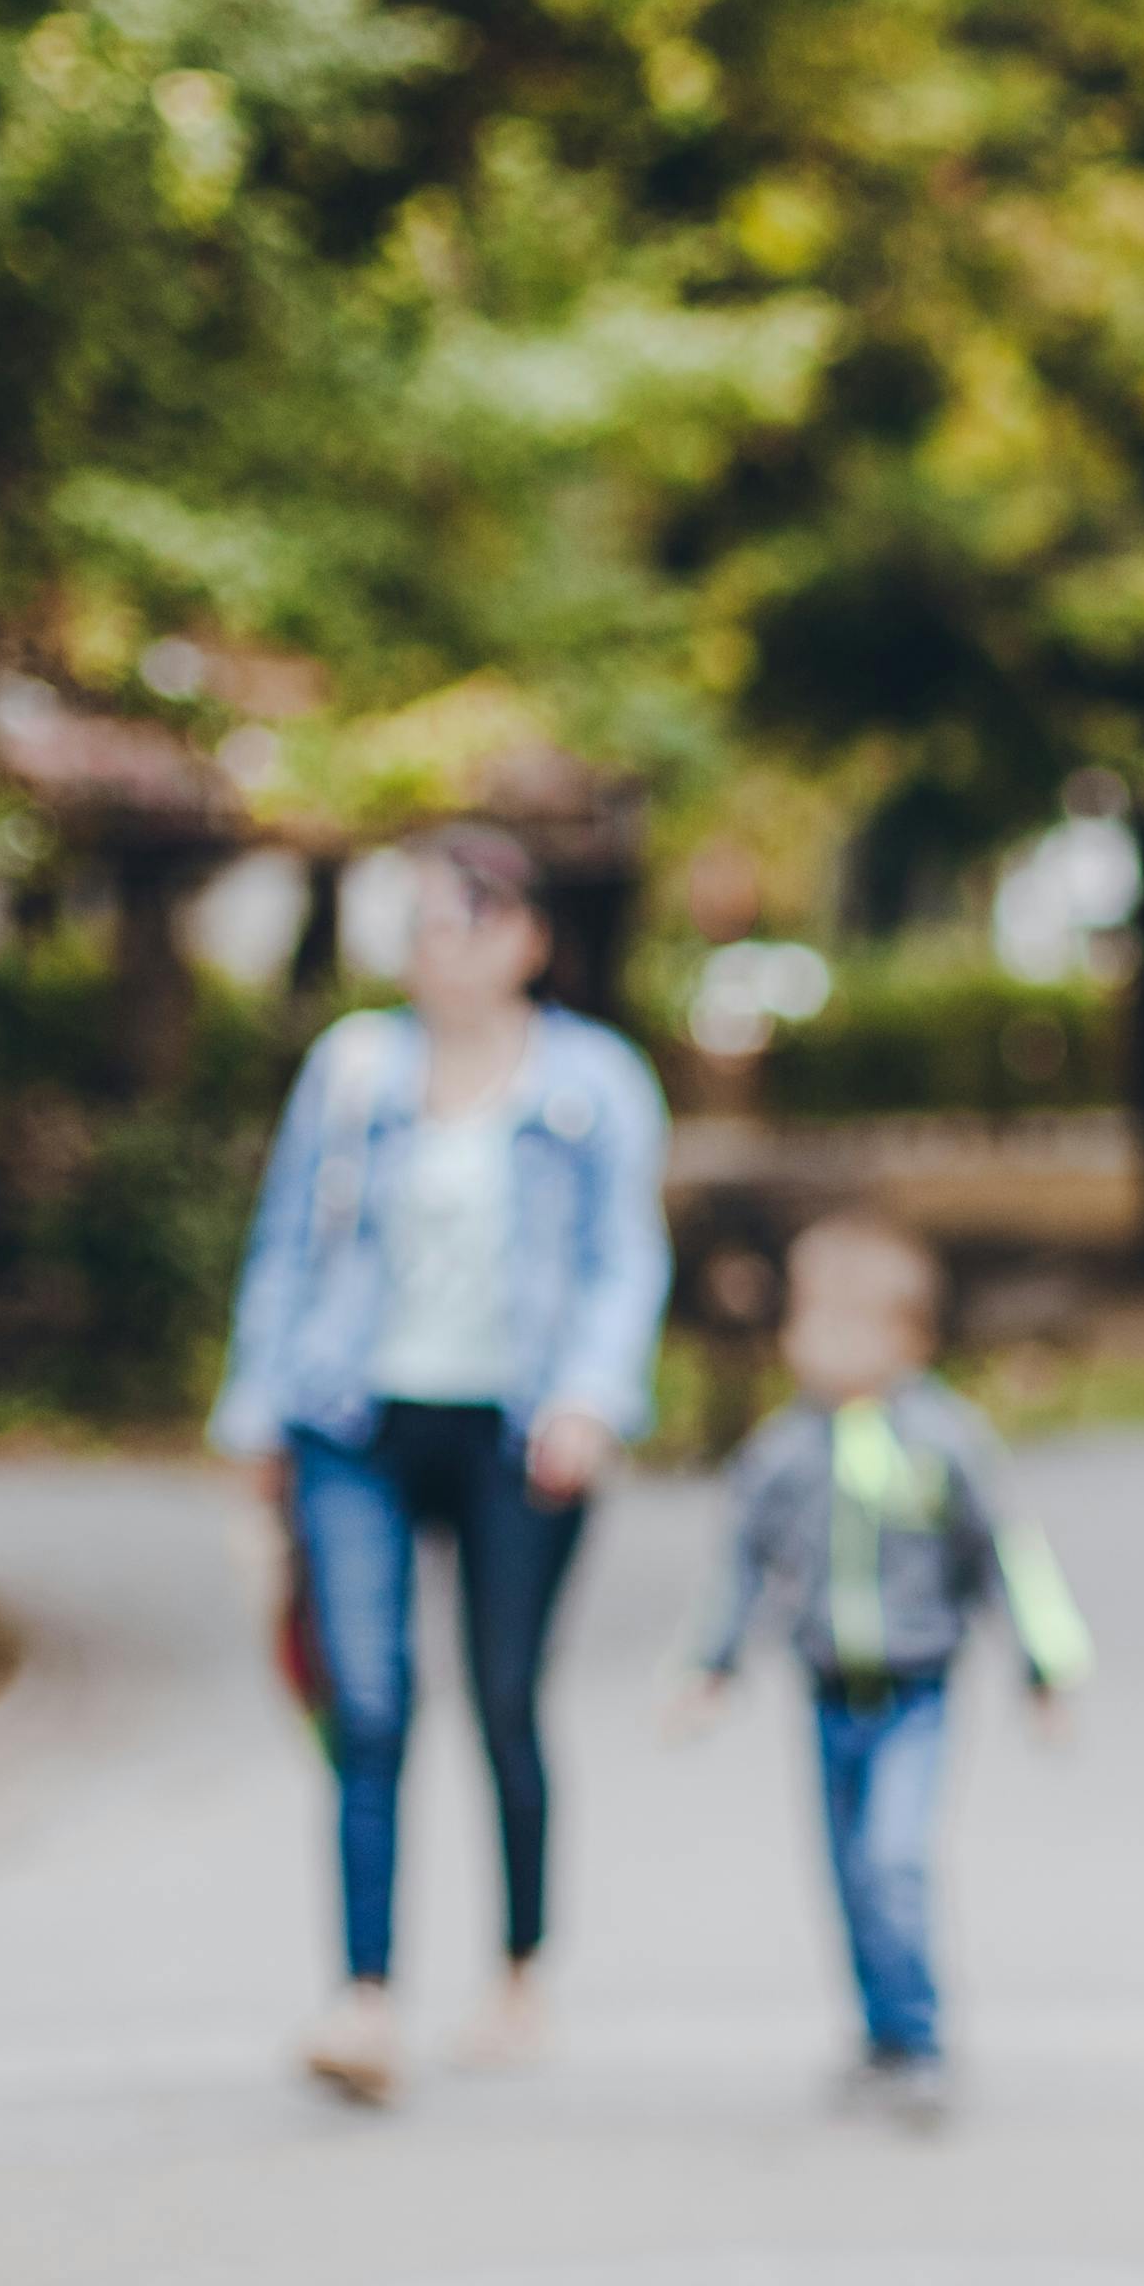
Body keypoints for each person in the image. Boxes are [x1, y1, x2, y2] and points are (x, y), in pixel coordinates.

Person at [209, 824, 672, 2105]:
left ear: (526, 938)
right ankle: (363, 1996)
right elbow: (288, 1244)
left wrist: (592, 1398)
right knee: (366, 1702)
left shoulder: (594, 1084)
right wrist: (255, 1416)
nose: (436, 947)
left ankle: (520, 1970)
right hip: (354, 1418)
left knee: (505, 1699)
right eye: (417, 923)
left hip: (520, 1430)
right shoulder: (354, 1070)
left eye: (461, 921)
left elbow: (623, 1260)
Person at [672, 1212, 1093, 2128]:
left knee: (894, 1857)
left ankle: (922, 2042)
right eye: (807, 1320)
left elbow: (1004, 1557)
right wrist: (713, 1668)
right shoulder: (784, 1451)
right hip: (827, 1693)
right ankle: (878, 2035)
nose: (815, 1343)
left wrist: (1045, 1667)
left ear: (910, 1338)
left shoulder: (944, 1442)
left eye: (844, 1324)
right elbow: (743, 1565)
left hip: (916, 1691)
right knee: (848, 1873)